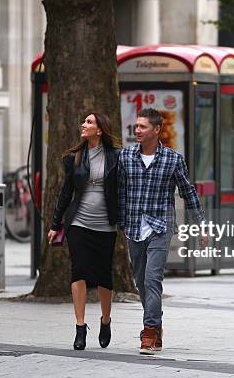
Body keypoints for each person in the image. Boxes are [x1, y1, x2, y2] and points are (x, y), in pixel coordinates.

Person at [118, 108, 206, 355]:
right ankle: (156, 325)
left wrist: (201, 224)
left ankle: (148, 331)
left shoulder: (172, 159)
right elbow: (121, 192)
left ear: (157, 130)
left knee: (152, 278)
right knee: (141, 283)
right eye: (136, 126)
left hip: (160, 226)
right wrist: (120, 223)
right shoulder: (125, 157)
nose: (137, 130)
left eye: (143, 126)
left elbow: (187, 192)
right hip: (134, 226)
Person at [48, 112, 121, 350]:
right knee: (78, 271)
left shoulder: (116, 157)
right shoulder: (75, 158)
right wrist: (55, 224)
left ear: (100, 130)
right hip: (78, 223)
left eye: (89, 122)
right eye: (84, 121)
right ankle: (80, 327)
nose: (83, 124)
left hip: (106, 225)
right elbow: (65, 193)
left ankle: (106, 320)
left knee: (103, 277)